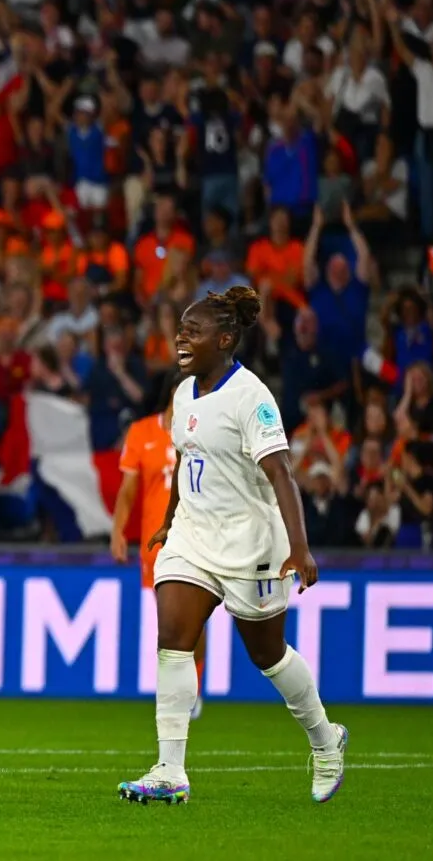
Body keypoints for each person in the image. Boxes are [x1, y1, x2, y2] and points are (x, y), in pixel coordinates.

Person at [119, 286, 347, 806]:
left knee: (268, 656)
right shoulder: (181, 394)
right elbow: (186, 459)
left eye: (192, 331)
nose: (181, 337)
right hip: (194, 537)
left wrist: (300, 547)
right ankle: (170, 769)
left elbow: (281, 473)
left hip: (251, 546)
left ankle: (325, 739)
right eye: (180, 329)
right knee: (173, 638)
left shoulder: (252, 397)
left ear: (224, 340)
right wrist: (170, 519)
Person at [111, 380, 205, 720]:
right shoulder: (141, 433)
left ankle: (192, 686)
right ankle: (178, 689)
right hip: (155, 545)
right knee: (169, 622)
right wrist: (118, 530)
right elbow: (128, 490)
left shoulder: (202, 433)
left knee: (194, 617)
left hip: (194, 538)